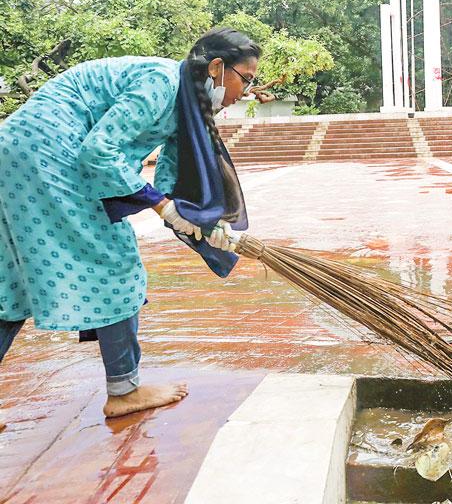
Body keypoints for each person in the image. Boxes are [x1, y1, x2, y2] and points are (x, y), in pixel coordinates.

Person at [0, 27, 262, 421]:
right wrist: (161, 206)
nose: (246, 92)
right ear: (217, 67)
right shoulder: (161, 82)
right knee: (116, 264)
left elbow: (175, 185)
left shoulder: (186, 104)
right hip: (49, 150)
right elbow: (99, 150)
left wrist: (206, 226)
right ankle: (124, 391)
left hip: (19, 153)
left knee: (11, 281)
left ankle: (124, 386)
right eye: (247, 79)